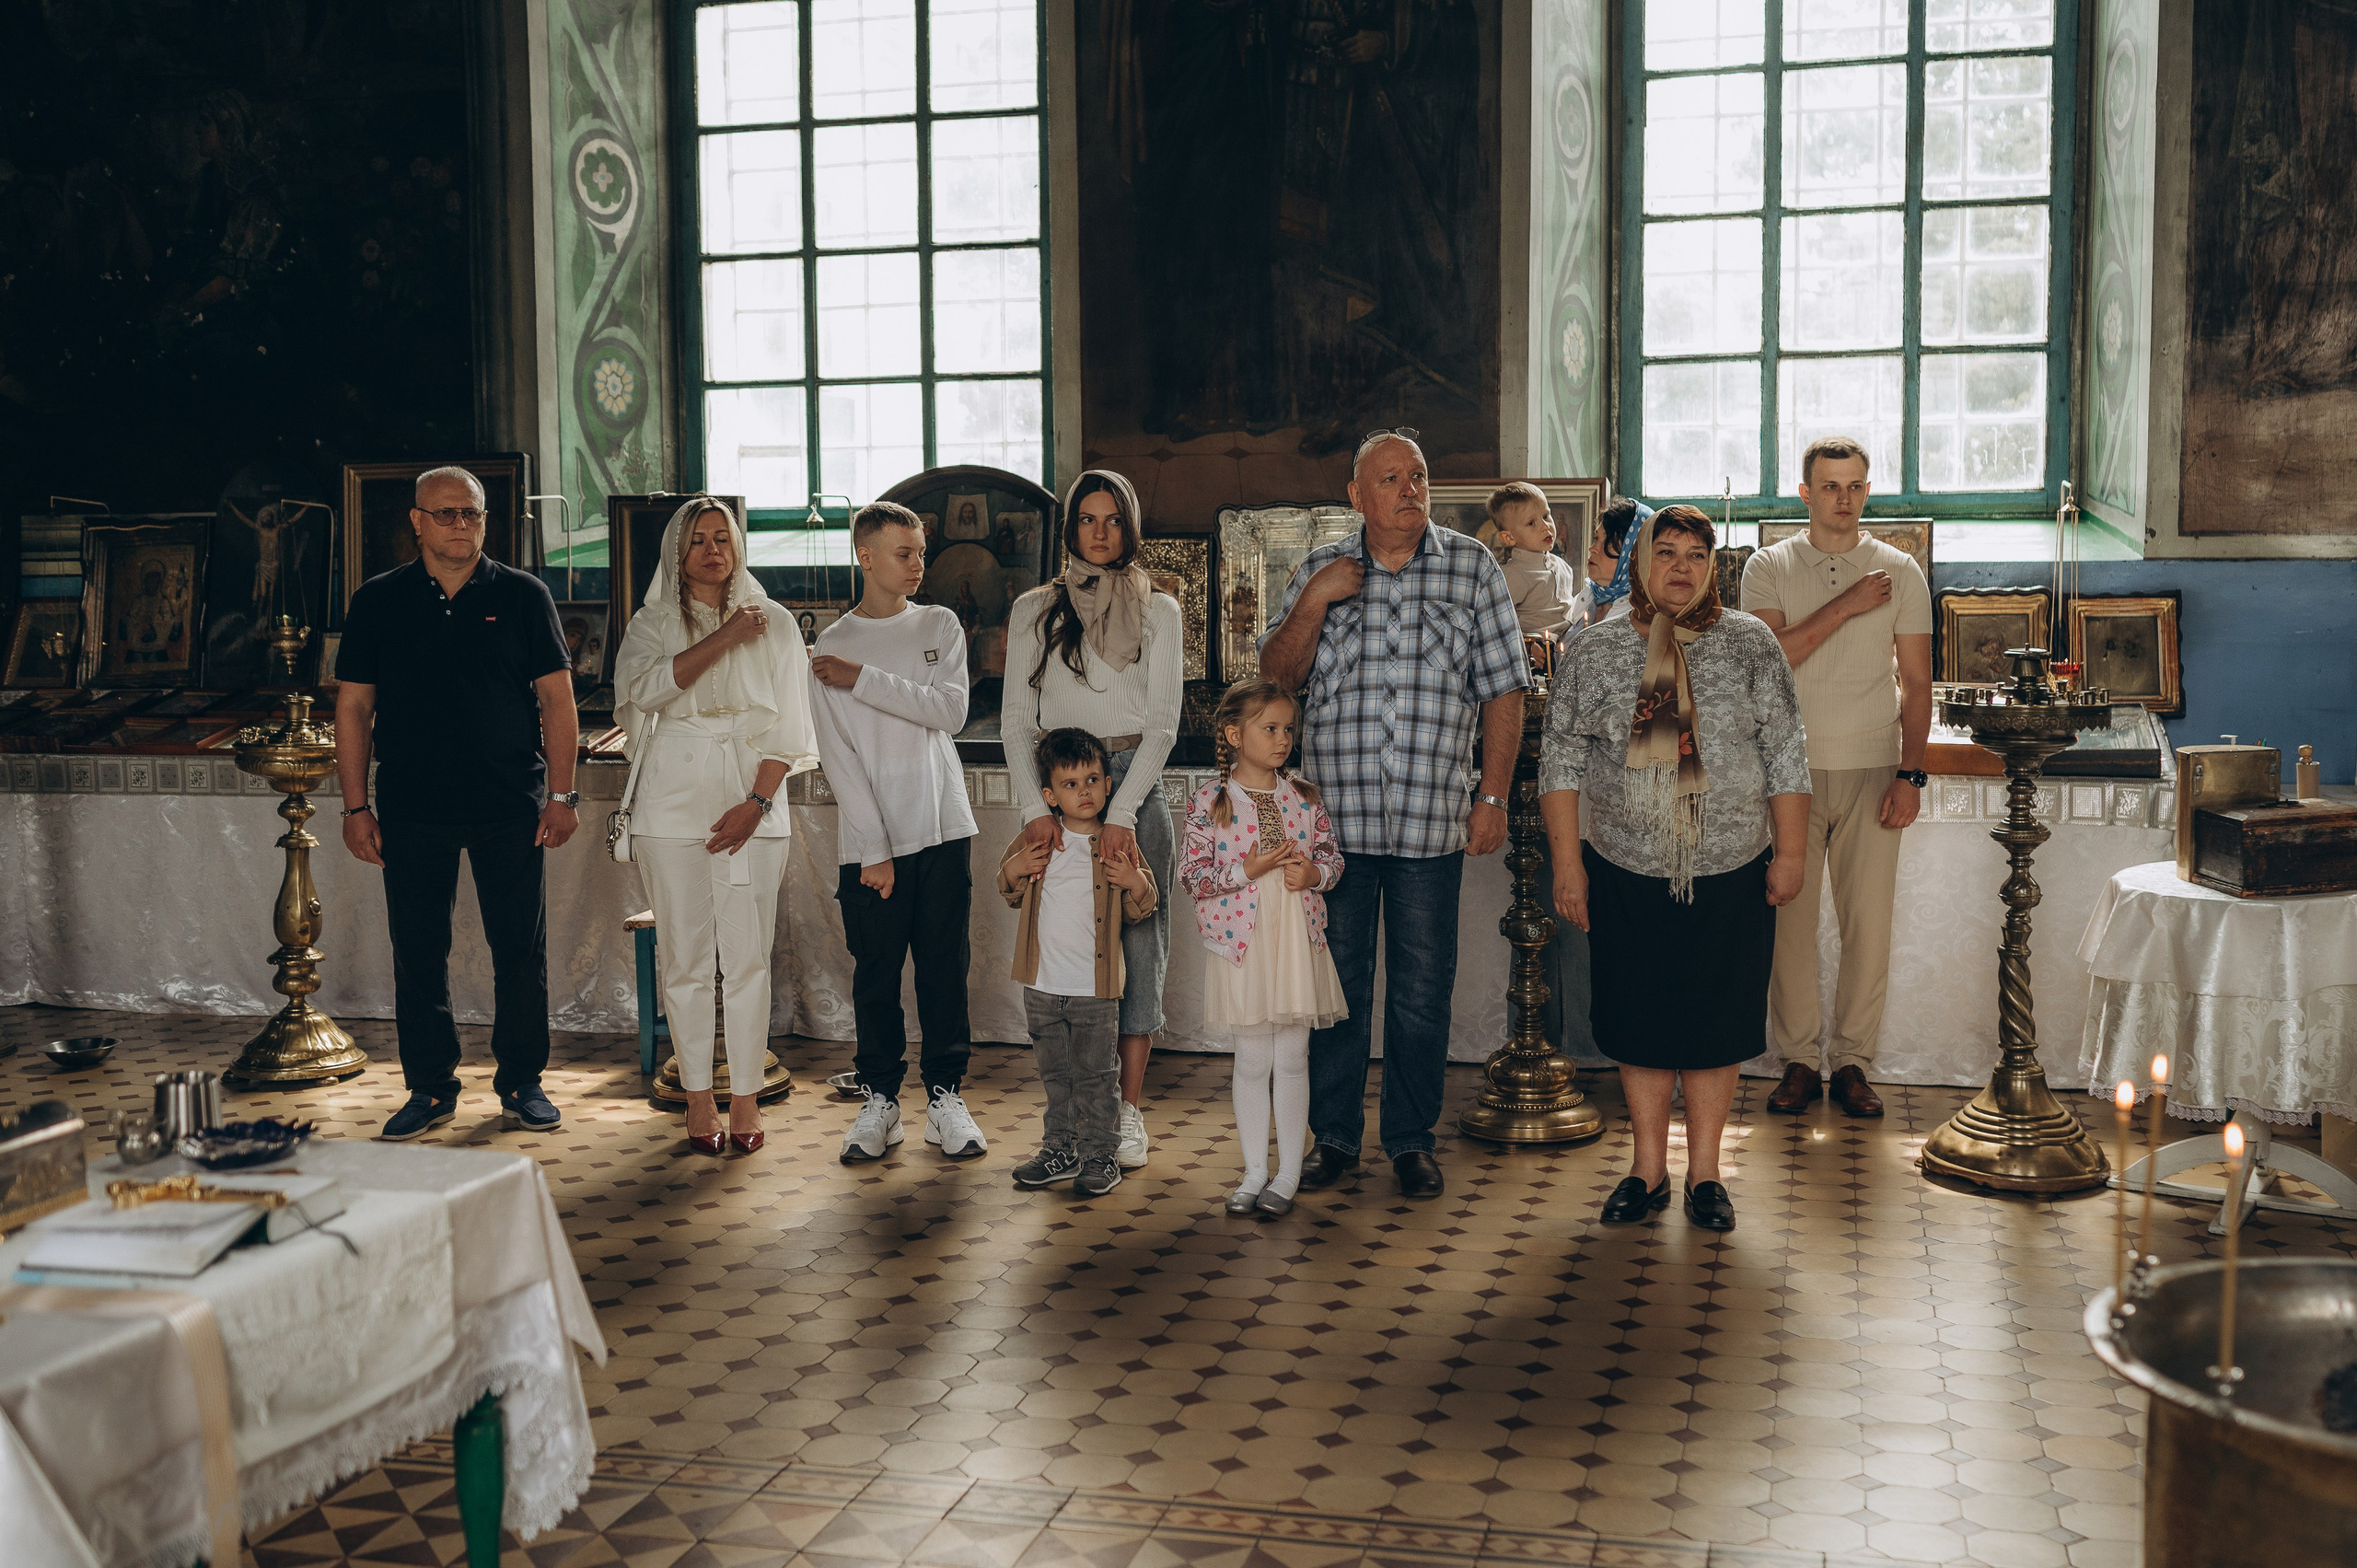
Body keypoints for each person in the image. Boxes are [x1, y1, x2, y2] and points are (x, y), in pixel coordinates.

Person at [1258, 430, 1529, 1200]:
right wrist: (1315, 601)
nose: (1409, 488)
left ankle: (1411, 1139)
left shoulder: (1472, 568)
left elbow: (1504, 690)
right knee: (1335, 987)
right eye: (1390, 478)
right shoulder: (1319, 570)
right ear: (1357, 496)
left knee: (1420, 990)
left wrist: (1494, 795)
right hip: (1332, 832)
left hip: (1429, 822)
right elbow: (1276, 681)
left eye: (1418, 475)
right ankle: (1335, 1138)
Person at [1539, 505, 1811, 1231]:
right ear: (1640, 563)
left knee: (1716, 1023)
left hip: (1731, 867)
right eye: (1668, 553)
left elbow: (1787, 751)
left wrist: (1789, 852)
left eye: (1698, 554)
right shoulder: (1594, 652)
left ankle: (1708, 1175)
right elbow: (1559, 761)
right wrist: (1569, 864)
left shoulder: (1751, 643)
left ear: (1713, 565)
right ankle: (1648, 1169)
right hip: (1627, 868)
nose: (1684, 568)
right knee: (1642, 1020)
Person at [335, 465, 579, 1141]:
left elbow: (557, 700)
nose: (461, 525)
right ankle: (430, 1086)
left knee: (519, 952)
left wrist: (563, 794)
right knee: (418, 950)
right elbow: (353, 706)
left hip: (512, 803)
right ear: (416, 521)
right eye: (445, 514)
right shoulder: (378, 600)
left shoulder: (525, 595)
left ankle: (522, 1081)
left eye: (471, 513)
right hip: (413, 807)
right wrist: (357, 807)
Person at [612, 497, 819, 1155]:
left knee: (749, 956)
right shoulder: (651, 622)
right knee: (686, 956)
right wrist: (726, 636)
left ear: (738, 546)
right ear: (678, 553)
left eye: (722, 537)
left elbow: (789, 725)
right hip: (670, 797)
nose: (711, 549)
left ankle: (747, 1097)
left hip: (753, 792)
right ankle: (698, 1097)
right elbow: (643, 692)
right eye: (697, 539)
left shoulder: (779, 622)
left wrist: (756, 803)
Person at [1740, 436, 1933, 1120]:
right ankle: (1796, 1059)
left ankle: (1853, 1061)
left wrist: (1911, 773)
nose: (1843, 498)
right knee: (1789, 921)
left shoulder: (1901, 571)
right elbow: (1772, 661)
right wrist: (1847, 604)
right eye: (1829, 486)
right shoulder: (1767, 567)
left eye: (1854, 485)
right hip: (1787, 771)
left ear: (1866, 491)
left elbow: (1915, 683)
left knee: (1868, 925)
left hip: (1875, 763)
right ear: (1805, 493)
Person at [1002, 470, 1183, 1171]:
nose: (1100, 531)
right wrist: (1031, 809)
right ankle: (1071, 1119)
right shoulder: (1033, 610)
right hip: (1059, 793)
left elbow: (1163, 725)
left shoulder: (1159, 611)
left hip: (1132, 787)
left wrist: (1126, 812)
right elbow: (1018, 722)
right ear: (1070, 527)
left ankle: (1126, 1111)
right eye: (1087, 519)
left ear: (1129, 526)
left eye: (1113, 519)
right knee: (1065, 951)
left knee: (1137, 951)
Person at [810, 500, 985, 1165]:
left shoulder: (939, 622)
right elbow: (837, 757)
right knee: (876, 975)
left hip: (942, 829)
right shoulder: (832, 645)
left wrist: (865, 681)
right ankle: (880, 1100)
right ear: (866, 556)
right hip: (870, 847)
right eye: (904, 553)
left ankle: (946, 1097)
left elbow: (951, 711)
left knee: (945, 967)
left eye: (920, 551)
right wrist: (875, 850)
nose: (918, 564)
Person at [1180, 679, 1347, 1218]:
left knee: (1293, 1054)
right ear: (1234, 735)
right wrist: (1246, 869)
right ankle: (1254, 1170)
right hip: (1244, 943)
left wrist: (1315, 873)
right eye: (1270, 728)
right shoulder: (1211, 801)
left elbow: (1332, 859)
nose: (1283, 740)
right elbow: (1192, 877)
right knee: (1252, 1056)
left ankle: (1290, 1172)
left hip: (1298, 940)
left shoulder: (1304, 796)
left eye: (1288, 730)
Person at [996, 728, 1159, 1199]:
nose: (1083, 791)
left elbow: (1142, 906)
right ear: (1048, 795)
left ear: (1109, 785)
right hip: (1043, 987)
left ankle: (1100, 1155)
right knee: (1056, 1075)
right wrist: (1015, 869)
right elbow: (1006, 887)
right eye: (1070, 784)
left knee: (1096, 1078)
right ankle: (1060, 1149)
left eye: (1092, 779)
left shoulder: (1116, 845)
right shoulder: (1039, 840)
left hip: (1095, 991)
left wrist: (1133, 881)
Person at [1489, 482, 1579, 647]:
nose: (1545, 527)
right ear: (1509, 538)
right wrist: (1528, 647)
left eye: (1546, 516)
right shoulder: (1513, 575)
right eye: (1531, 523)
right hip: (1533, 653)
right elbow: (1495, 625)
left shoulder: (1564, 567)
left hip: (1568, 646)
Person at [1569, 495, 1643, 633]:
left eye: (1608, 542)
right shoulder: (1586, 597)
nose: (1593, 548)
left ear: (1633, 554)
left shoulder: (1640, 617)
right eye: (1596, 538)